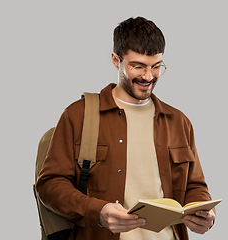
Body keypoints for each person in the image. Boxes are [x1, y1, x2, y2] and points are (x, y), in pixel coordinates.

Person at [36, 16, 216, 240]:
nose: (148, 76)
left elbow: (195, 185)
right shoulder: (78, 115)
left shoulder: (179, 121)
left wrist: (204, 213)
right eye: (137, 66)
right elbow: (50, 185)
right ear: (115, 60)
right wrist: (98, 212)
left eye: (156, 66)